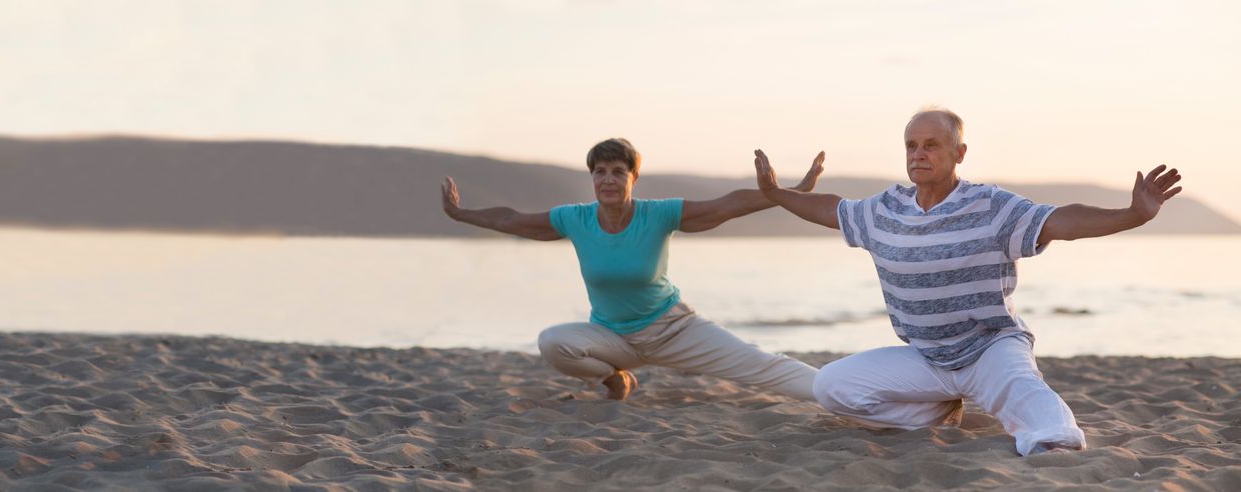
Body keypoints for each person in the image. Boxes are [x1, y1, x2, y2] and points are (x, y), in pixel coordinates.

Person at [752, 107, 1183, 456]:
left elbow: (1061, 221)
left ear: (959, 152)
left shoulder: (991, 205)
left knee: (1037, 414)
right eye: (911, 145)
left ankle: (1053, 446)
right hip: (925, 357)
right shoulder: (885, 209)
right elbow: (832, 209)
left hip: (989, 349)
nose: (918, 153)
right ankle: (937, 414)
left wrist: (1131, 216)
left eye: (931, 145)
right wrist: (776, 195)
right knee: (831, 386)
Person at [442, 137, 822, 401]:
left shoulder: (658, 213)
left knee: (767, 368)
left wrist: (784, 193)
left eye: (618, 171)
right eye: (600, 171)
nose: (608, 178)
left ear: (633, 178)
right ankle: (616, 379)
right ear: (591, 177)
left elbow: (724, 205)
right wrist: (462, 214)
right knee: (554, 342)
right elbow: (514, 220)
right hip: (614, 339)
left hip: (675, 330)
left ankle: (852, 392)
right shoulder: (575, 219)